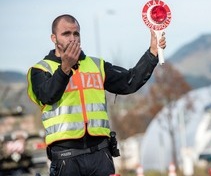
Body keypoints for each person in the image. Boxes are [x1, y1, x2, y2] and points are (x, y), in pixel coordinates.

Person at [27, 14, 166, 176]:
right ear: (54, 38)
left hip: (100, 155)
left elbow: (129, 81)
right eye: (66, 34)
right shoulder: (41, 70)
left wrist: (152, 53)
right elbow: (46, 96)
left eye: (76, 33)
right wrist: (65, 68)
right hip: (66, 158)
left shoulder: (96, 65)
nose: (72, 38)